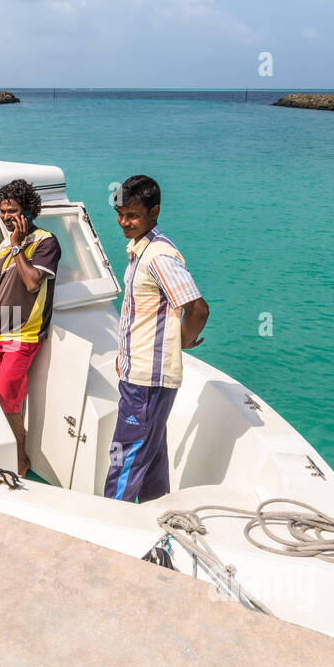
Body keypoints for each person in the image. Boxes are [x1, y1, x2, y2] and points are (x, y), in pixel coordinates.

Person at [103, 174, 209, 503]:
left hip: (146, 381)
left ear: (154, 212)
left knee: (124, 457)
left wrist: (180, 343)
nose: (124, 222)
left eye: (133, 215)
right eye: (120, 214)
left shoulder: (158, 256)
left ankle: (110, 528)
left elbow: (198, 308)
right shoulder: (142, 249)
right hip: (141, 375)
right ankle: (154, 513)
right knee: (150, 454)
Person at [0, 178, 61, 476]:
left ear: (28, 210)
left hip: (23, 335)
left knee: (8, 403)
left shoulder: (45, 242)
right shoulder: (4, 244)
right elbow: (3, 284)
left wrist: (16, 249)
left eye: (11, 210)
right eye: (2, 211)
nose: (5, 217)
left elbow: (31, 282)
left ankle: (20, 463)